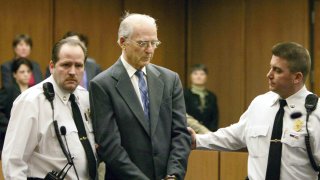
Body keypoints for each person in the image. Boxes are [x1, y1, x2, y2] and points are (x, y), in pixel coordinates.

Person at [189, 42, 320, 180]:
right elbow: (234, 135)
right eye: (270, 68)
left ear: (297, 77)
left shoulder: (315, 112)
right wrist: (197, 141)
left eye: (278, 70)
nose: (269, 74)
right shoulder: (260, 103)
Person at [90, 13, 191, 180]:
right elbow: (110, 146)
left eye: (154, 43)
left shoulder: (170, 79)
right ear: (123, 42)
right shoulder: (102, 84)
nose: (150, 49)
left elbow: (180, 133)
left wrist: (174, 174)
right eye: (143, 43)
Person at [2, 38, 97, 179]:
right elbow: (14, 162)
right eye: (66, 65)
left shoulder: (85, 98)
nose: (72, 71)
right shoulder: (31, 101)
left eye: (78, 65)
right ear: (52, 66)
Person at [0, 58, 33, 153]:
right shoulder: (8, 90)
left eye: (28, 71)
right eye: (22, 72)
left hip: (28, 135)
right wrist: (9, 126)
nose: (26, 74)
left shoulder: (34, 91)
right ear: (14, 74)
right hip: (9, 136)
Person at [184, 64, 219, 131]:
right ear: (190, 76)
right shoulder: (184, 94)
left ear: (206, 77)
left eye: (202, 74)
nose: (198, 76)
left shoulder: (212, 96)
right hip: (188, 132)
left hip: (208, 134)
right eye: (195, 73)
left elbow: (215, 119)